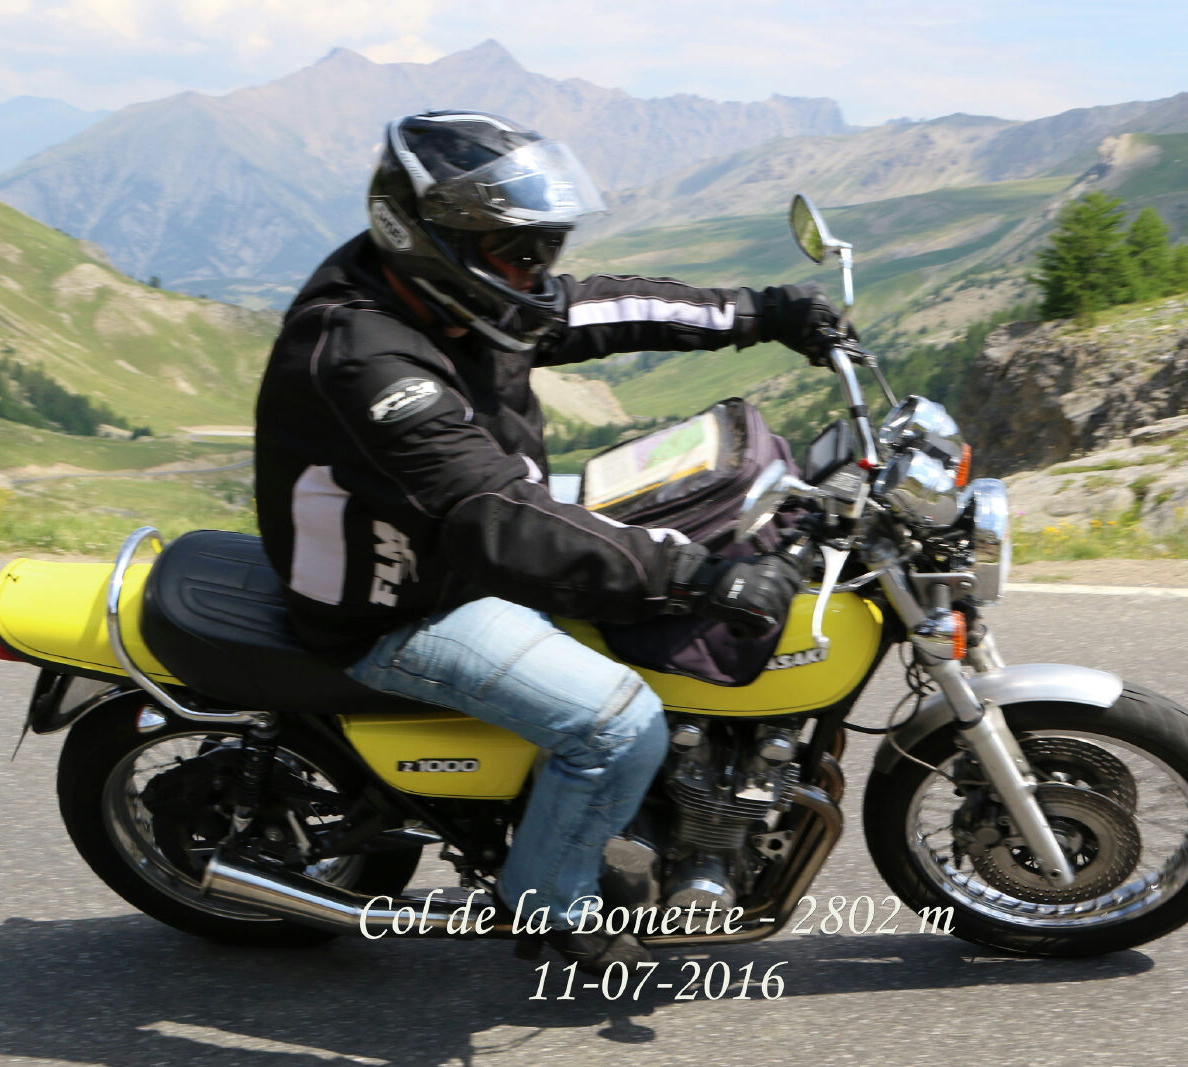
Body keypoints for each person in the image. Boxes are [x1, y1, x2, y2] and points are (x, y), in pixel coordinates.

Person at [253, 110, 840, 971]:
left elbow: (595, 308)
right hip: (399, 601)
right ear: (428, 236)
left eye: (544, 247)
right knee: (618, 723)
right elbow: (495, 516)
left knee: (661, 536)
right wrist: (697, 574)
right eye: (517, 250)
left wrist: (762, 313)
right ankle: (551, 905)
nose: (537, 269)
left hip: (456, 544)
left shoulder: (461, 294)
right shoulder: (364, 355)